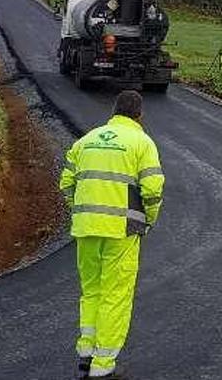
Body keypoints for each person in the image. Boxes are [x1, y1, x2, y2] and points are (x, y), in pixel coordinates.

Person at [59, 91, 165, 379]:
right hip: (121, 231)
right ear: (139, 115)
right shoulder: (142, 143)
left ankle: (86, 351)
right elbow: (153, 190)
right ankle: (103, 365)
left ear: (114, 111)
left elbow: (67, 182)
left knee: (91, 290)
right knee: (115, 294)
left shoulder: (87, 140)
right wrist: (148, 221)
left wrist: (82, 211)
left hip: (85, 228)